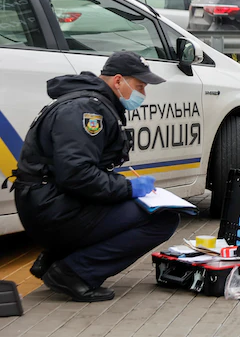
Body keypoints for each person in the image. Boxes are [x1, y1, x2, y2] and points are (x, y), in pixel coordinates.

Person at [11, 52, 179, 302]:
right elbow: (77, 174)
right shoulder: (85, 109)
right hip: (50, 208)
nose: (143, 93)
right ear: (119, 81)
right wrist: (128, 188)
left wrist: (121, 186)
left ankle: (56, 259)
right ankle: (74, 272)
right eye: (140, 86)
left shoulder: (92, 103)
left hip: (49, 201)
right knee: (162, 218)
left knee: (131, 205)